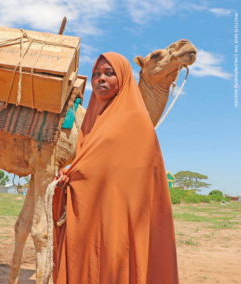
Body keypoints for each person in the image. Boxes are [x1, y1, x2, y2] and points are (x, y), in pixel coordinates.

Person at [52, 52, 179, 284]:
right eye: (96, 74)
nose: (101, 78)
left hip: (123, 215)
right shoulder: (91, 121)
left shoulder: (136, 119)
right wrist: (68, 175)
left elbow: (135, 173)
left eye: (109, 74)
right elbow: (90, 163)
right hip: (91, 213)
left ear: (123, 79)